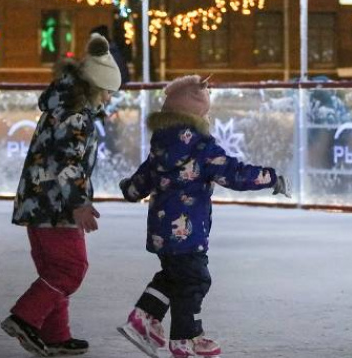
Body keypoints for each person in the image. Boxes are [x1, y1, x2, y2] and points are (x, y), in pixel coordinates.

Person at [117, 75, 291, 358]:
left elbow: (143, 179)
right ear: (198, 114)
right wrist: (271, 178)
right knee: (196, 279)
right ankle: (185, 338)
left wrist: (129, 189)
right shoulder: (201, 146)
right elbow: (233, 172)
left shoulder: (161, 146)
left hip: (162, 231)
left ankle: (144, 319)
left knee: (174, 277)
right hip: (188, 233)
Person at [1, 33, 122, 357]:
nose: (109, 99)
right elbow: (67, 163)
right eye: (108, 92)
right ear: (96, 88)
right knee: (71, 268)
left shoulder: (62, 107)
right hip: (56, 205)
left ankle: (56, 335)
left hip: (38, 202)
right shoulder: (76, 115)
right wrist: (79, 203)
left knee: (53, 271)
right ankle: (25, 317)